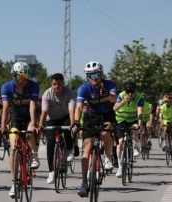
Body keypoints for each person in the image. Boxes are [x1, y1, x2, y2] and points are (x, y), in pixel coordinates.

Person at [71, 61, 117, 197]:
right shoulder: (83, 89)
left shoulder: (110, 84)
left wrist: (107, 94)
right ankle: (84, 183)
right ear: (87, 76)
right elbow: (79, 107)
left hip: (107, 115)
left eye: (96, 74)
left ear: (101, 74)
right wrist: (75, 121)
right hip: (91, 117)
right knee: (87, 148)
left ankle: (108, 158)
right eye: (90, 75)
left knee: (105, 133)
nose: (94, 77)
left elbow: (114, 99)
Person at [0, 61, 40, 198]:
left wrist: (34, 123)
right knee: (13, 148)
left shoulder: (33, 86)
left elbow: (32, 106)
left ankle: (34, 154)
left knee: (29, 132)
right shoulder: (6, 87)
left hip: (29, 117)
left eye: (25, 77)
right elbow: (5, 108)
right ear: (13, 76)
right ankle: (14, 182)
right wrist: (3, 125)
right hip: (16, 118)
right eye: (19, 77)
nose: (22, 80)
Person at [38, 73, 76, 184]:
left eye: (59, 84)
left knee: (67, 129)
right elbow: (44, 111)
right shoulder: (47, 94)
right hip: (51, 119)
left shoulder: (69, 93)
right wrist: (41, 124)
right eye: (54, 84)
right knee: (50, 143)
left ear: (63, 83)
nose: (56, 86)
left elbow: (71, 110)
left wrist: (73, 124)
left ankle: (69, 149)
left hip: (65, 117)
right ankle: (51, 171)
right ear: (51, 84)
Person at [113, 81, 143, 177]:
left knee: (135, 129)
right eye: (128, 92)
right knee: (120, 142)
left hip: (132, 119)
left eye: (132, 92)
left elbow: (140, 112)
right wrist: (124, 101)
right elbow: (114, 109)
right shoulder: (121, 95)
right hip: (121, 119)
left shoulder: (139, 97)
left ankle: (136, 145)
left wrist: (140, 124)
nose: (130, 94)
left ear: (135, 91)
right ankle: (120, 167)